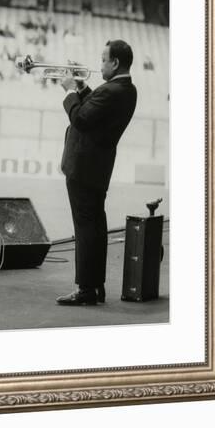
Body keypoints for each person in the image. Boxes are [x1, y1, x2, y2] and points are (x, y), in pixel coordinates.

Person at [56, 39, 137, 306]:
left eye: (103, 60)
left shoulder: (112, 90)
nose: (99, 64)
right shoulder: (124, 88)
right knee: (95, 228)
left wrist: (69, 92)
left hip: (83, 166)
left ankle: (86, 290)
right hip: (97, 168)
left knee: (85, 229)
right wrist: (81, 86)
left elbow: (80, 118)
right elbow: (94, 110)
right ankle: (95, 285)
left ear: (114, 63)